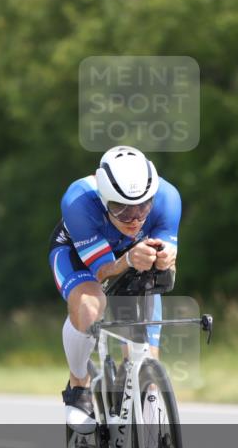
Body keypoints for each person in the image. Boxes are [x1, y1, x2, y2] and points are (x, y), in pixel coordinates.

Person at [48, 146, 181, 430]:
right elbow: (104, 274)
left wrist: (167, 259)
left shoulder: (168, 198)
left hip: (131, 255)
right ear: (104, 198)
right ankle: (79, 385)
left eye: (143, 207)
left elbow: (167, 273)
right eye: (121, 209)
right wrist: (131, 257)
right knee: (90, 307)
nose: (134, 218)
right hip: (79, 256)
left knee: (146, 364)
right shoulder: (79, 201)